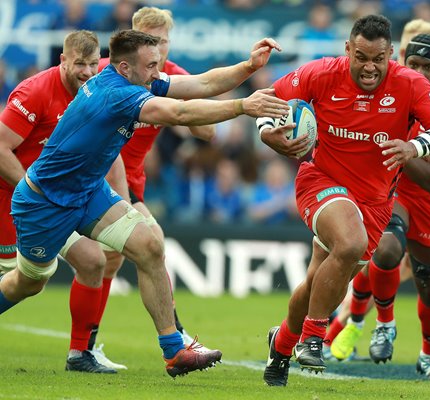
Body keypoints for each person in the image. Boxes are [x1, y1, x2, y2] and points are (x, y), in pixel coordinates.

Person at [0, 29, 289, 378]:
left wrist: (248, 67)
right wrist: (244, 106)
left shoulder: (131, 77)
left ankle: (174, 350)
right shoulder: (117, 95)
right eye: (152, 65)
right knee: (27, 283)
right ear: (125, 67)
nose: (158, 71)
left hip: (87, 192)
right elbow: (181, 115)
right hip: (43, 203)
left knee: (149, 245)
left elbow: (198, 84)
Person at [257, 15, 430, 386]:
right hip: (322, 181)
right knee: (351, 243)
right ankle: (314, 337)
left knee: (321, 280)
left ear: (391, 55)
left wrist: (414, 147)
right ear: (347, 49)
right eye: (361, 57)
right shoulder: (320, 73)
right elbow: (270, 98)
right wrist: (269, 133)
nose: (369, 67)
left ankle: (282, 343)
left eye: (378, 59)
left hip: (376, 201)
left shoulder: (409, 83)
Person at [83, 6, 260, 370]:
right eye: (149, 41)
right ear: (134, 40)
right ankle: (161, 341)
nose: (157, 50)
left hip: (132, 181)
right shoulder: (108, 74)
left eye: (162, 42)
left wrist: (191, 113)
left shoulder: (170, 77)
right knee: (42, 271)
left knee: (130, 252)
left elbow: (206, 129)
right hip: (96, 176)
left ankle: (98, 346)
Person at [329, 23, 430, 381]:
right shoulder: (386, 89)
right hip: (391, 189)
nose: (420, 73)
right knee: (385, 250)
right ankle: (383, 325)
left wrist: (407, 154)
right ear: (402, 59)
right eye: (415, 64)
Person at [0, 30, 124, 374]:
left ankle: (79, 354)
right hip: (13, 197)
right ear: (63, 61)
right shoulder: (35, 92)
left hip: (55, 198)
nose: (86, 71)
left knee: (92, 262)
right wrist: (32, 189)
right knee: (27, 281)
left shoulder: (96, 91)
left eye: (91, 64)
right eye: (79, 64)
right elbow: (0, 148)